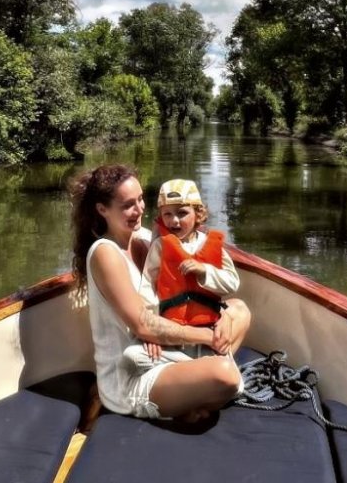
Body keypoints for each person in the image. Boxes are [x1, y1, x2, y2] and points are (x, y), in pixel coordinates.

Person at [69, 164, 249, 421]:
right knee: (226, 375)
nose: (139, 209)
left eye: (141, 199)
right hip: (134, 370)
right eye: (128, 205)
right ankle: (196, 391)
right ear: (102, 209)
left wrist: (219, 318)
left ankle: (194, 392)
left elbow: (164, 302)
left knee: (239, 310)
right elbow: (143, 324)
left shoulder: (144, 238)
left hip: (167, 347)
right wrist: (207, 336)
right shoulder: (105, 253)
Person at [139, 179, 239, 357]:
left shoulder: (213, 246)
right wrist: (151, 333)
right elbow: (148, 288)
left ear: (198, 214)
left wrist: (204, 271)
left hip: (210, 328)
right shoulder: (160, 247)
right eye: (167, 214)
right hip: (174, 332)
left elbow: (232, 283)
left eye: (182, 213)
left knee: (226, 376)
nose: (174, 220)